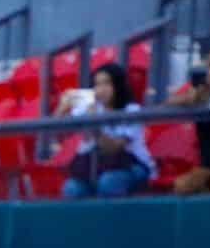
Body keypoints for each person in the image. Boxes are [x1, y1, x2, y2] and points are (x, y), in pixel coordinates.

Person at [59, 61, 155, 198]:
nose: (101, 89)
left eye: (107, 84)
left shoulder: (131, 110)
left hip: (132, 165)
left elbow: (113, 148)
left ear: (118, 85)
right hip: (95, 165)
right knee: (72, 188)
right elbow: (57, 134)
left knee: (108, 183)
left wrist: (93, 123)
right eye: (97, 84)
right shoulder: (90, 106)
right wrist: (62, 108)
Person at [165, 36, 210, 195]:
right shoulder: (200, 91)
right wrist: (195, 96)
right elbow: (170, 102)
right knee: (182, 186)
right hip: (208, 168)